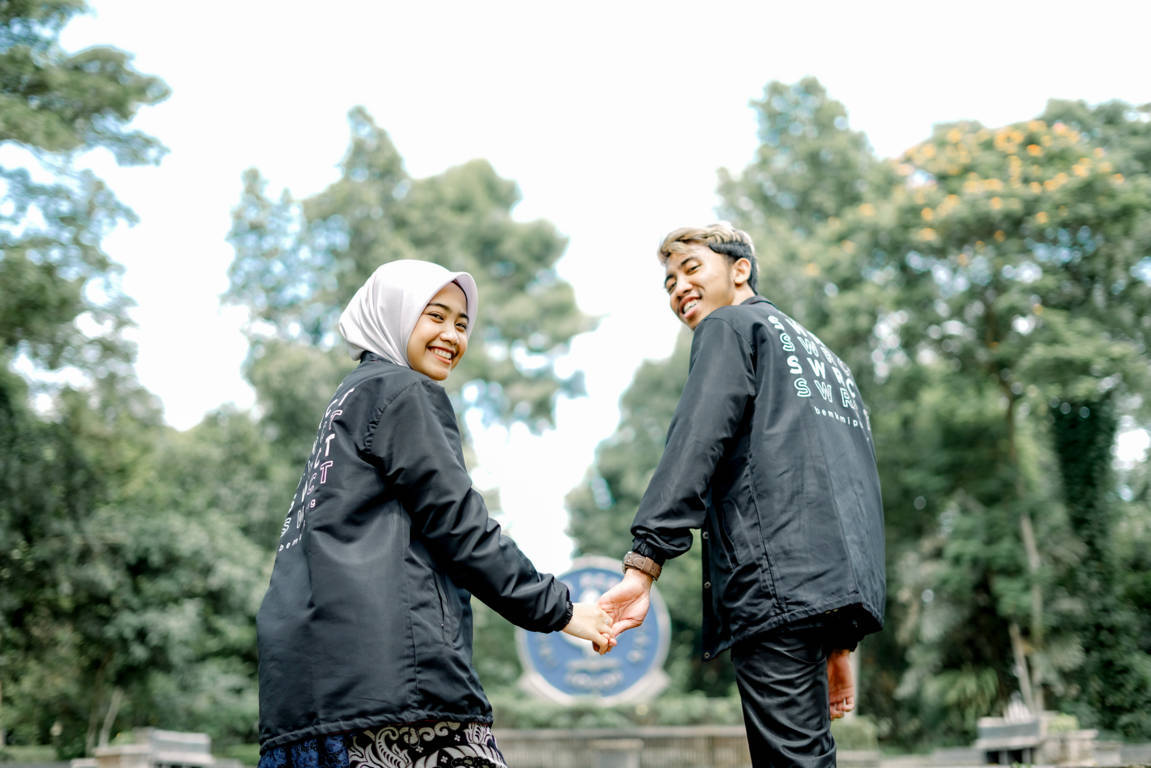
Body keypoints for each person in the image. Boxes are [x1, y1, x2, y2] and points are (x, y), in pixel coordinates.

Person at [256, 259, 612, 768]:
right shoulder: (403, 392)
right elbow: (462, 527)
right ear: (394, 314)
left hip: (304, 705)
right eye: (435, 316)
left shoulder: (347, 403)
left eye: (462, 323)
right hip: (397, 695)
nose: (452, 335)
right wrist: (563, 611)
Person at [597, 223, 886, 767]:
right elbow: (850, 490)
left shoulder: (729, 326)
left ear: (740, 269)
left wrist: (644, 564)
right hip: (826, 590)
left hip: (773, 587)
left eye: (691, 269)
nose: (678, 288)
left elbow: (695, 444)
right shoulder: (828, 361)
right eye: (668, 283)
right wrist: (842, 638)